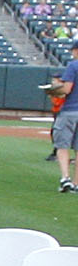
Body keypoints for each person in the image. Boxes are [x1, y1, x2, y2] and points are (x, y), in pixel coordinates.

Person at [49, 45, 78, 193]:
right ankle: (76, 183)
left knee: (62, 146)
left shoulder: (74, 65)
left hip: (71, 110)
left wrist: (53, 89)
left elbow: (67, 89)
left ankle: (65, 178)